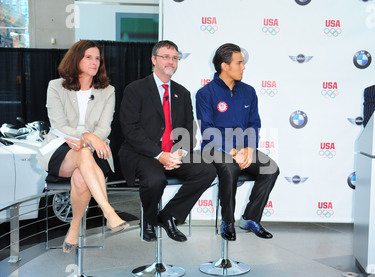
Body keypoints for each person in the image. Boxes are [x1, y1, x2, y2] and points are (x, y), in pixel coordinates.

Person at [119, 40, 216, 242]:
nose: (170, 62)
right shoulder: (135, 89)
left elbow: (188, 129)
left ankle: (169, 215)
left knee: (207, 170)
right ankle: (148, 219)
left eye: (174, 58)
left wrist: (179, 152)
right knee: (155, 180)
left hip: (174, 153)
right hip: (144, 153)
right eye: (165, 57)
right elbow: (131, 130)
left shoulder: (183, 93)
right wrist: (159, 155)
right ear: (154, 60)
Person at [37, 40, 129, 253]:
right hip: (60, 147)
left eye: (97, 58)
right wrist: (87, 136)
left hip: (94, 149)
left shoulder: (108, 91)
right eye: (88, 57)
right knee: (84, 154)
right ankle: (109, 212)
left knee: (81, 175)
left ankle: (74, 226)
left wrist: (89, 140)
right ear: (76, 58)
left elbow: (105, 128)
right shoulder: (56, 86)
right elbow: (59, 125)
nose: (94, 62)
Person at [196, 43, 279, 241]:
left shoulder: (249, 92)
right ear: (225, 66)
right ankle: (228, 222)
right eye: (239, 63)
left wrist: (249, 149)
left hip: (244, 148)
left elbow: (254, 123)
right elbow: (208, 130)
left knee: (270, 168)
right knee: (230, 168)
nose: (243, 67)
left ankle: (251, 218)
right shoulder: (205, 94)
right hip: (214, 150)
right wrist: (234, 152)